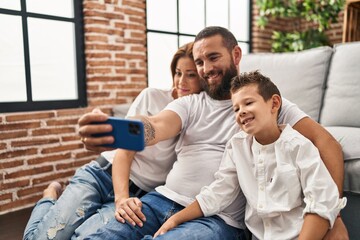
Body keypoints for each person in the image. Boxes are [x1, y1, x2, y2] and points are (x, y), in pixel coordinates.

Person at [81, 27, 347, 239]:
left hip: (217, 218)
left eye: (213, 57)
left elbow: (327, 144)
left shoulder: (265, 105)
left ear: (236, 55)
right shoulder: (189, 104)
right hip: (160, 201)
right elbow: (155, 126)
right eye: (199, 61)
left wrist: (330, 213)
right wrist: (118, 132)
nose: (206, 68)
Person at [22, 42, 202, 240]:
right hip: (102, 175)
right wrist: (121, 198)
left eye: (191, 74)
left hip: (140, 194)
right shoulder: (152, 97)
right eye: (178, 73)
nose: (181, 81)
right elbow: (125, 152)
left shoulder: (199, 117)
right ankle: (49, 197)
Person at [153, 71, 347, 240]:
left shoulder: (299, 146)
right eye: (236, 109)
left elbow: (320, 201)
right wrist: (176, 219)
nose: (241, 112)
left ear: (274, 104)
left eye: (248, 103)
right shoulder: (237, 147)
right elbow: (219, 192)